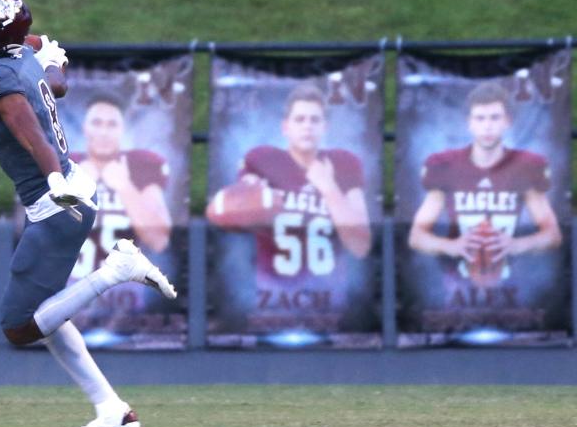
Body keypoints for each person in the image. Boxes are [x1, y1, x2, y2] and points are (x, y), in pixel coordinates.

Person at [0, 0, 176, 427]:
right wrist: (51, 57)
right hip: (69, 192)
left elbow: (28, 130)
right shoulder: (18, 61)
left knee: (19, 326)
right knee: (44, 311)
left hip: (57, 200)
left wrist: (52, 177)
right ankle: (112, 410)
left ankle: (117, 269)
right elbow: (58, 85)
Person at [208, 84, 372, 284]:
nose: (307, 126)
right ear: (285, 127)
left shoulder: (344, 162)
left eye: (315, 120)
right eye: (300, 119)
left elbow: (360, 246)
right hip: (272, 295)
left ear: (325, 127)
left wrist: (328, 187)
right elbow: (236, 212)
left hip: (329, 296)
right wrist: (250, 199)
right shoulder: (261, 160)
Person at [408, 81, 561, 282]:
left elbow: (552, 235)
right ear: (469, 123)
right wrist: (451, 246)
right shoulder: (445, 165)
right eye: (480, 118)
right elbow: (416, 236)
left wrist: (516, 244)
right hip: (455, 280)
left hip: (513, 280)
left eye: (495, 118)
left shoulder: (525, 166)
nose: (487, 126)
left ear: (508, 121)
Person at [71, 94, 172, 271]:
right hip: (68, 283)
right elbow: (37, 230)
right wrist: (76, 192)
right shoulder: (66, 165)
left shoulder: (141, 164)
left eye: (112, 124)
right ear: (85, 128)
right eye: (96, 123)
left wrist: (125, 187)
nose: (104, 132)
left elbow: (159, 240)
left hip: (127, 289)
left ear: (122, 129)